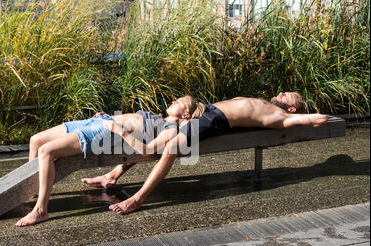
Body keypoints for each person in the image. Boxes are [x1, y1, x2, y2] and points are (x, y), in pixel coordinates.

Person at [82, 92, 329, 215]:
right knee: (156, 136)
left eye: (288, 95)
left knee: (168, 148)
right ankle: (112, 175)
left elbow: (315, 120)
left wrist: (316, 118)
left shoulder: (282, 116)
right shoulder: (268, 104)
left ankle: (138, 199)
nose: (283, 93)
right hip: (208, 112)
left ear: (293, 107)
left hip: (215, 121)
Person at [15, 95, 203, 226]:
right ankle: (33, 190)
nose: (174, 100)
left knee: (47, 151)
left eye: (179, 102)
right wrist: (108, 117)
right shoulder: (158, 118)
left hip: (106, 131)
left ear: (185, 115)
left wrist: (118, 130)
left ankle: (41, 210)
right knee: (36, 140)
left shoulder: (170, 129)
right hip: (100, 121)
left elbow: (146, 151)